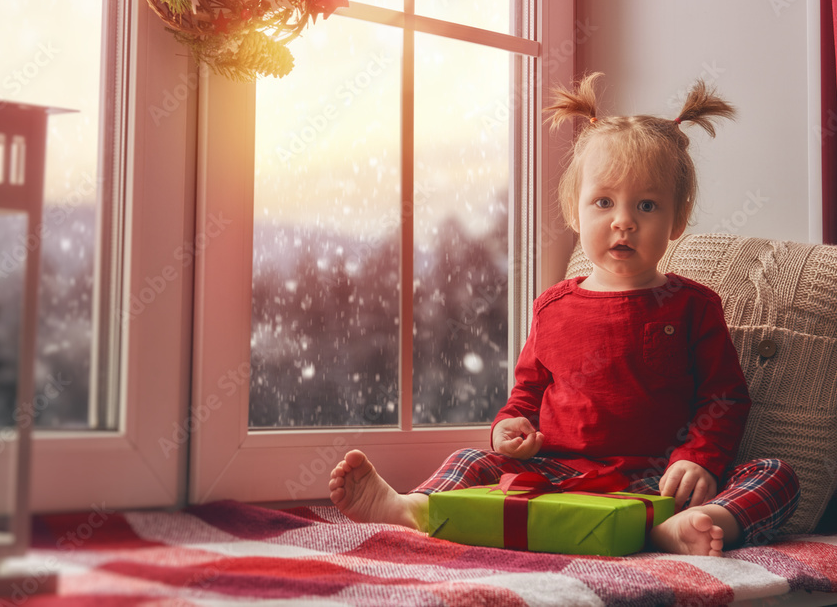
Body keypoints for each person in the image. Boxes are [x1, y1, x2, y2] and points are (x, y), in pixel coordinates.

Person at [329, 72, 799, 556]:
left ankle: (683, 527)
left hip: (658, 480)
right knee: (471, 458)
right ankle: (413, 507)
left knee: (776, 476)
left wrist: (697, 460)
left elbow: (725, 398)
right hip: (556, 477)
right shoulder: (553, 307)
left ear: (677, 218)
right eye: (603, 202)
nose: (623, 220)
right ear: (575, 212)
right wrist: (508, 429)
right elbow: (527, 395)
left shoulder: (694, 306)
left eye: (647, 204)